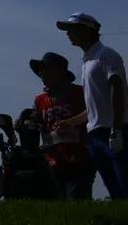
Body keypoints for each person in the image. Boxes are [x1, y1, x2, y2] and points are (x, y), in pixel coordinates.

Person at [52, 13, 128, 200]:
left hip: (114, 132)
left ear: (87, 30)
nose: (68, 34)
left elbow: (116, 89)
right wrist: (71, 122)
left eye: (72, 29)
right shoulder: (87, 61)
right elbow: (94, 107)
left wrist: (116, 130)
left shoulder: (106, 55)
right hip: (96, 135)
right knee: (115, 190)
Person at [27, 51, 95, 200]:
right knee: (57, 201)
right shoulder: (39, 101)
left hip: (79, 159)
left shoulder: (80, 93)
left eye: (44, 70)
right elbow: (35, 122)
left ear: (57, 72)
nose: (40, 74)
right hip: (53, 160)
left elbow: (93, 112)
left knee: (77, 198)